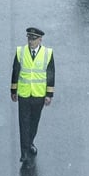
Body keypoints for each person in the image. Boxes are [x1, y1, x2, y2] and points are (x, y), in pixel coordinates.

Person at [12, 27, 54, 164]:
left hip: (39, 94)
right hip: (24, 94)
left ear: (40, 40)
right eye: (29, 38)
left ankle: (29, 142)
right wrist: (13, 91)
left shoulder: (48, 53)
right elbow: (15, 71)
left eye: (34, 39)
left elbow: (51, 74)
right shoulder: (20, 51)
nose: (31, 41)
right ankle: (24, 152)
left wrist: (49, 94)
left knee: (34, 122)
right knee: (23, 123)